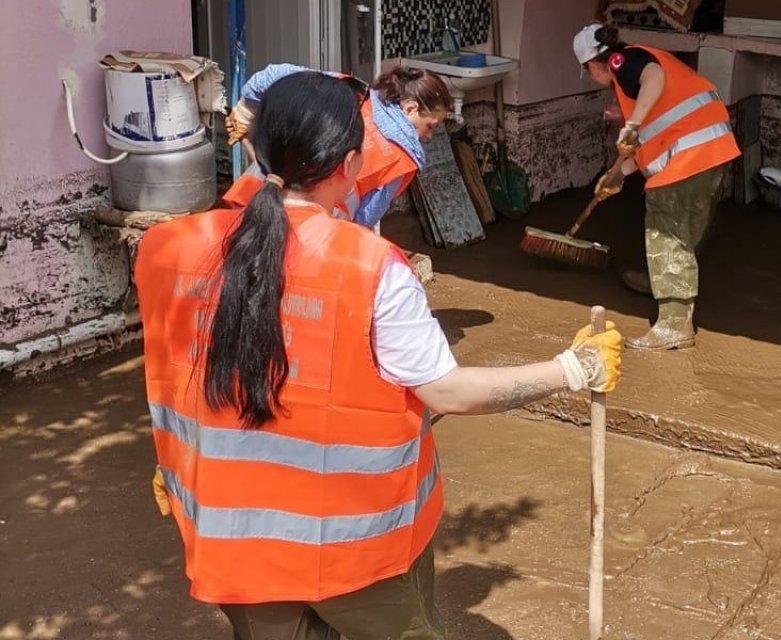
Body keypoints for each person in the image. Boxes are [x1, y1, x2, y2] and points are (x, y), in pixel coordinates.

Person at [136, 72, 623, 640]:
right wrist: (570, 368)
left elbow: (182, 372)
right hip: (354, 547)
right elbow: (446, 392)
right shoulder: (371, 267)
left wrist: (176, 462)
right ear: (348, 164)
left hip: (231, 534)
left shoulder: (167, 248)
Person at [574, 23, 742, 351]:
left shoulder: (624, 63)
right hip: (712, 151)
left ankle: (674, 324)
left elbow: (653, 78)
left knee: (665, 232)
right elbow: (651, 142)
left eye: (588, 73)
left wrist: (633, 124)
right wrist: (617, 176)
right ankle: (662, 282)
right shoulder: (639, 64)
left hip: (687, 159)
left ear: (593, 65)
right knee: (686, 232)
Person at [222, 64, 451, 228]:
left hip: (254, 200)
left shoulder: (349, 89)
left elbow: (269, 77)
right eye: (430, 126)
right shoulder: (402, 159)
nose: (428, 136)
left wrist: (246, 109)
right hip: (316, 228)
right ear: (410, 108)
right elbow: (363, 220)